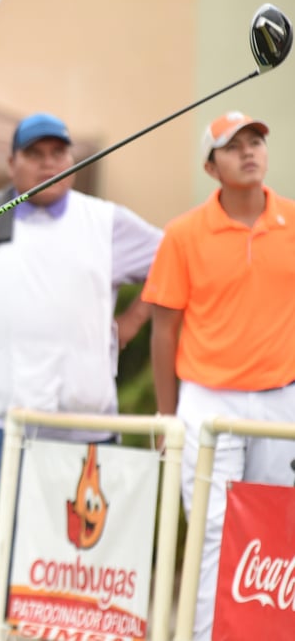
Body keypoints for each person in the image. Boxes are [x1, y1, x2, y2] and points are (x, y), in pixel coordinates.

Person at [0, 112, 162, 641]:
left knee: (80, 528)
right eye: (35, 154)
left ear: (72, 162)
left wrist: (134, 319)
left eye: (58, 153)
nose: (47, 162)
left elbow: (168, 261)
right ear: (13, 163)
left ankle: (70, 627)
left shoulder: (105, 220)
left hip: (83, 408)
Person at [141, 110, 295, 641]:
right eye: (234, 146)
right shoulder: (183, 234)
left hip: (282, 400)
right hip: (208, 403)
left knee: (276, 533)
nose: (249, 151)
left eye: (256, 141)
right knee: (213, 530)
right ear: (211, 167)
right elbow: (164, 331)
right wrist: (166, 417)